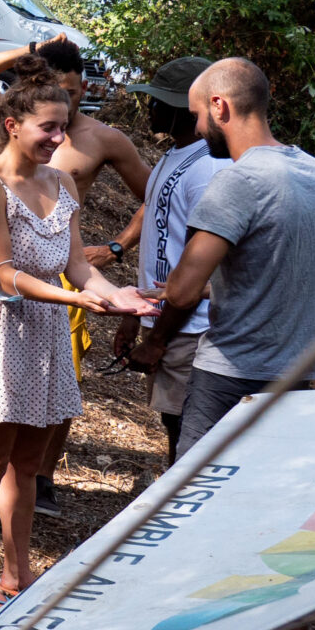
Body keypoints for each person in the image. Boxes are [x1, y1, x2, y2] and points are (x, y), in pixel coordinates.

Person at [131, 56, 315, 630]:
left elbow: (187, 288)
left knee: (202, 525)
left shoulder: (238, 183)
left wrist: (153, 338)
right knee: (289, 528)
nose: (197, 125)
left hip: (229, 379)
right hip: (301, 380)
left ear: (221, 107)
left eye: (199, 113)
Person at [0, 58, 155, 618]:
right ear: (13, 123)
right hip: (1, 329)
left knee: (31, 464)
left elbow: (76, 265)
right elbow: (4, 275)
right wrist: (76, 298)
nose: (60, 138)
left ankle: (20, 574)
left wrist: (116, 294)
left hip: (47, 331)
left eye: (64, 126)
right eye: (49, 127)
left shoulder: (62, 181)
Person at [110, 56, 222, 463]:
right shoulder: (172, 156)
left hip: (189, 329)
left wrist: (158, 339)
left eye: (160, 101)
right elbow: (162, 242)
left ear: (188, 109)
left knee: (189, 435)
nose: (150, 108)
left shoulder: (211, 169)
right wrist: (134, 315)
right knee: (173, 426)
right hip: (164, 319)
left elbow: (200, 266)